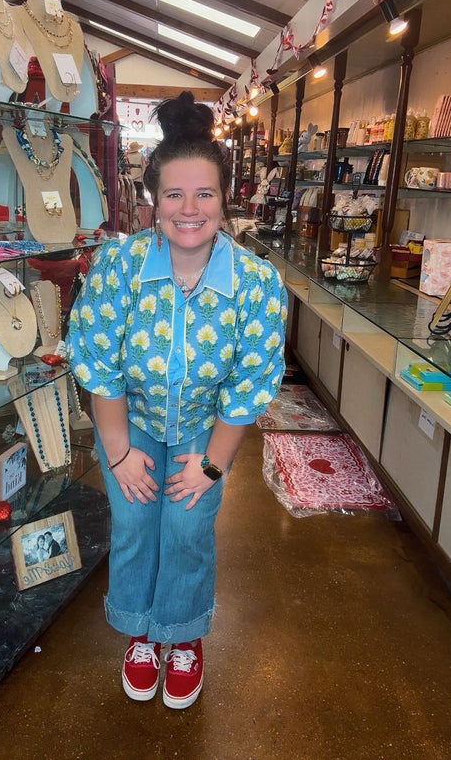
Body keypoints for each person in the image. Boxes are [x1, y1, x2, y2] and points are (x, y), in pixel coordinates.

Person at [67, 91, 287, 710]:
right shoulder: (120, 267)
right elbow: (99, 361)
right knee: (136, 524)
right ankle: (140, 631)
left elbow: (248, 385)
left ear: (225, 199)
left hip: (201, 427)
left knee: (188, 527)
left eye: (205, 195)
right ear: (152, 200)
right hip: (130, 421)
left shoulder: (255, 284)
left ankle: (183, 635)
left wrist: (210, 465)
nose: (189, 210)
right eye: (174, 195)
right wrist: (117, 454)